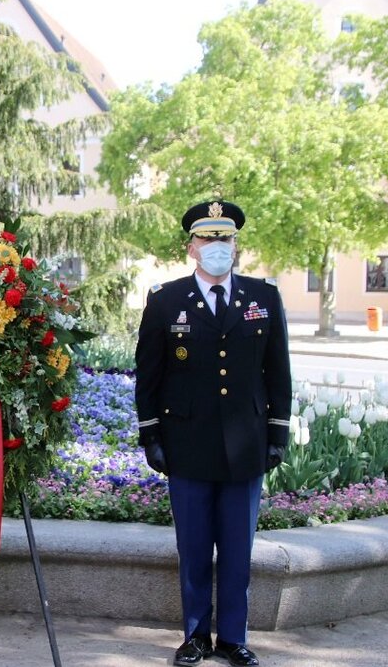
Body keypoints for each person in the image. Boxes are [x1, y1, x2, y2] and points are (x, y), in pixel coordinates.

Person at [135, 200, 292, 667]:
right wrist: (151, 435)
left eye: (225, 239)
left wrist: (277, 432)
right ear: (191, 248)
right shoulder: (166, 300)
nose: (217, 247)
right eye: (208, 239)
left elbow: (278, 371)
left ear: (236, 246)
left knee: (239, 550)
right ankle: (196, 636)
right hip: (187, 444)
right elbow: (149, 374)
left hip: (245, 444)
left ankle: (234, 639)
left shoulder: (263, 298)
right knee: (195, 547)